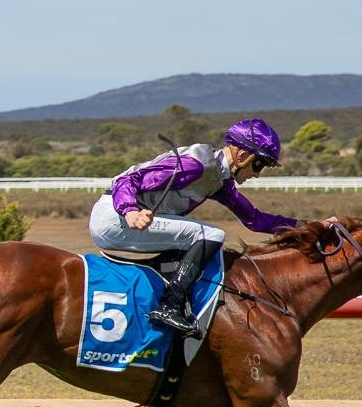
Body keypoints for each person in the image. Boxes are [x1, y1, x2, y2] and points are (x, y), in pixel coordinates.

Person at [91, 118, 298, 335]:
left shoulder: (219, 179)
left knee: (197, 241)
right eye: (259, 165)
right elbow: (127, 180)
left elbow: (254, 220)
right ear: (242, 155)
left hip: (125, 221)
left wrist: (307, 225)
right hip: (115, 219)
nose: (257, 174)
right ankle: (169, 306)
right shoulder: (196, 165)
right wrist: (130, 211)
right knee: (211, 234)